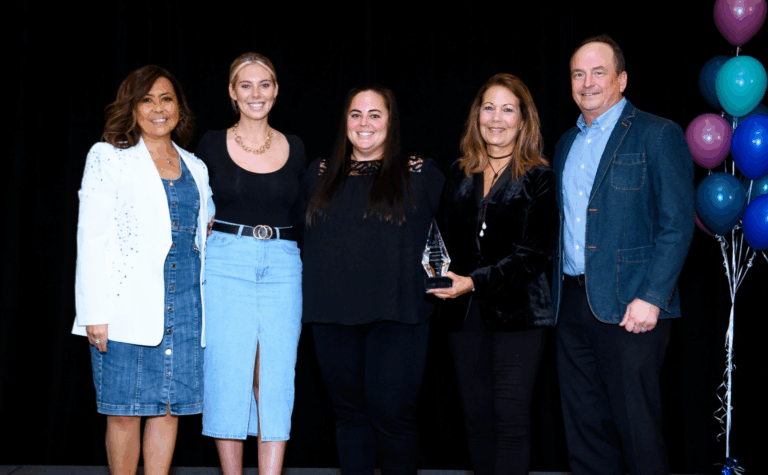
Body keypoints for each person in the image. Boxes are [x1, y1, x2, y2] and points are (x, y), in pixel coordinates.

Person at [552, 35, 694, 475]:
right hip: (571, 306)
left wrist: (653, 296)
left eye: (598, 72)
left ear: (621, 79)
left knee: (638, 431)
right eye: (579, 74)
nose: (588, 83)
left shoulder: (658, 133)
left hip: (633, 306)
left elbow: (678, 223)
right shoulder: (564, 145)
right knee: (585, 433)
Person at [73, 65, 213, 475]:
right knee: (123, 413)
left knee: (168, 411)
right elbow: (90, 235)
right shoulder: (109, 157)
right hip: (125, 308)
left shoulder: (196, 166)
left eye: (166, 98)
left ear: (179, 108)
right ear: (132, 108)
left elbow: (202, 229)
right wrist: (93, 312)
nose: (157, 108)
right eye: (146, 99)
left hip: (186, 306)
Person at [300, 84, 444, 475]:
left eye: (375, 115)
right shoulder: (318, 173)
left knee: (393, 418)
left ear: (390, 122)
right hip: (331, 317)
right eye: (356, 114)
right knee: (349, 418)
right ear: (345, 122)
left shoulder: (421, 173)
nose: (365, 124)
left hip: (399, 316)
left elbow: (449, 237)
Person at [428, 73, 559, 475]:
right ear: (477, 115)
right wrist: (437, 273)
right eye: (489, 108)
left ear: (523, 120)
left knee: (512, 425)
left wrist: (473, 281)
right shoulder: (459, 171)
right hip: (463, 317)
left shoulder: (539, 176)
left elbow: (533, 256)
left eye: (507, 109)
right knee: (476, 423)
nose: (496, 118)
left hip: (519, 317)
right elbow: (440, 236)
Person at [196, 52, 305, 475]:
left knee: (276, 376)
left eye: (264, 84)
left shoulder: (295, 147)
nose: (255, 93)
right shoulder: (209, 143)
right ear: (232, 92)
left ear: (276, 91)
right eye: (246, 85)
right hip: (226, 261)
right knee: (228, 373)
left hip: (283, 263)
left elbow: (305, 212)